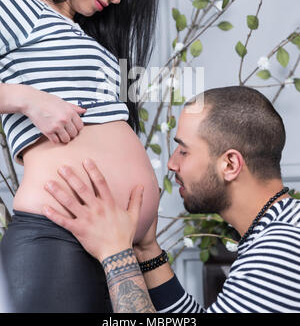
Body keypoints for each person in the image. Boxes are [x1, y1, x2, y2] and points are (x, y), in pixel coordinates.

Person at [0, 0, 161, 313]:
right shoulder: (17, 6)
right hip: (58, 237)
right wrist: (28, 100)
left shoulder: (92, 40)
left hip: (117, 248)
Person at [42, 86, 300, 313]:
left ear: (230, 164)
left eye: (184, 151)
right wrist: (147, 249)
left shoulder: (280, 249)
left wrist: (115, 254)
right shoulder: (281, 230)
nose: (171, 163)